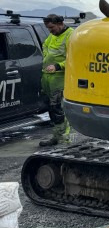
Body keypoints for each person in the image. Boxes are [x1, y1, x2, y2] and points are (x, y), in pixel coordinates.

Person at [39, 14, 74, 146]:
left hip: (59, 78)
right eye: (48, 28)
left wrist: (58, 65)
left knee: (58, 109)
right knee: (52, 109)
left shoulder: (70, 35)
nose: (50, 30)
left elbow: (74, 58)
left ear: (60, 23)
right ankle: (56, 136)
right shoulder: (53, 35)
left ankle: (64, 139)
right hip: (48, 78)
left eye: (52, 27)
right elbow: (46, 49)